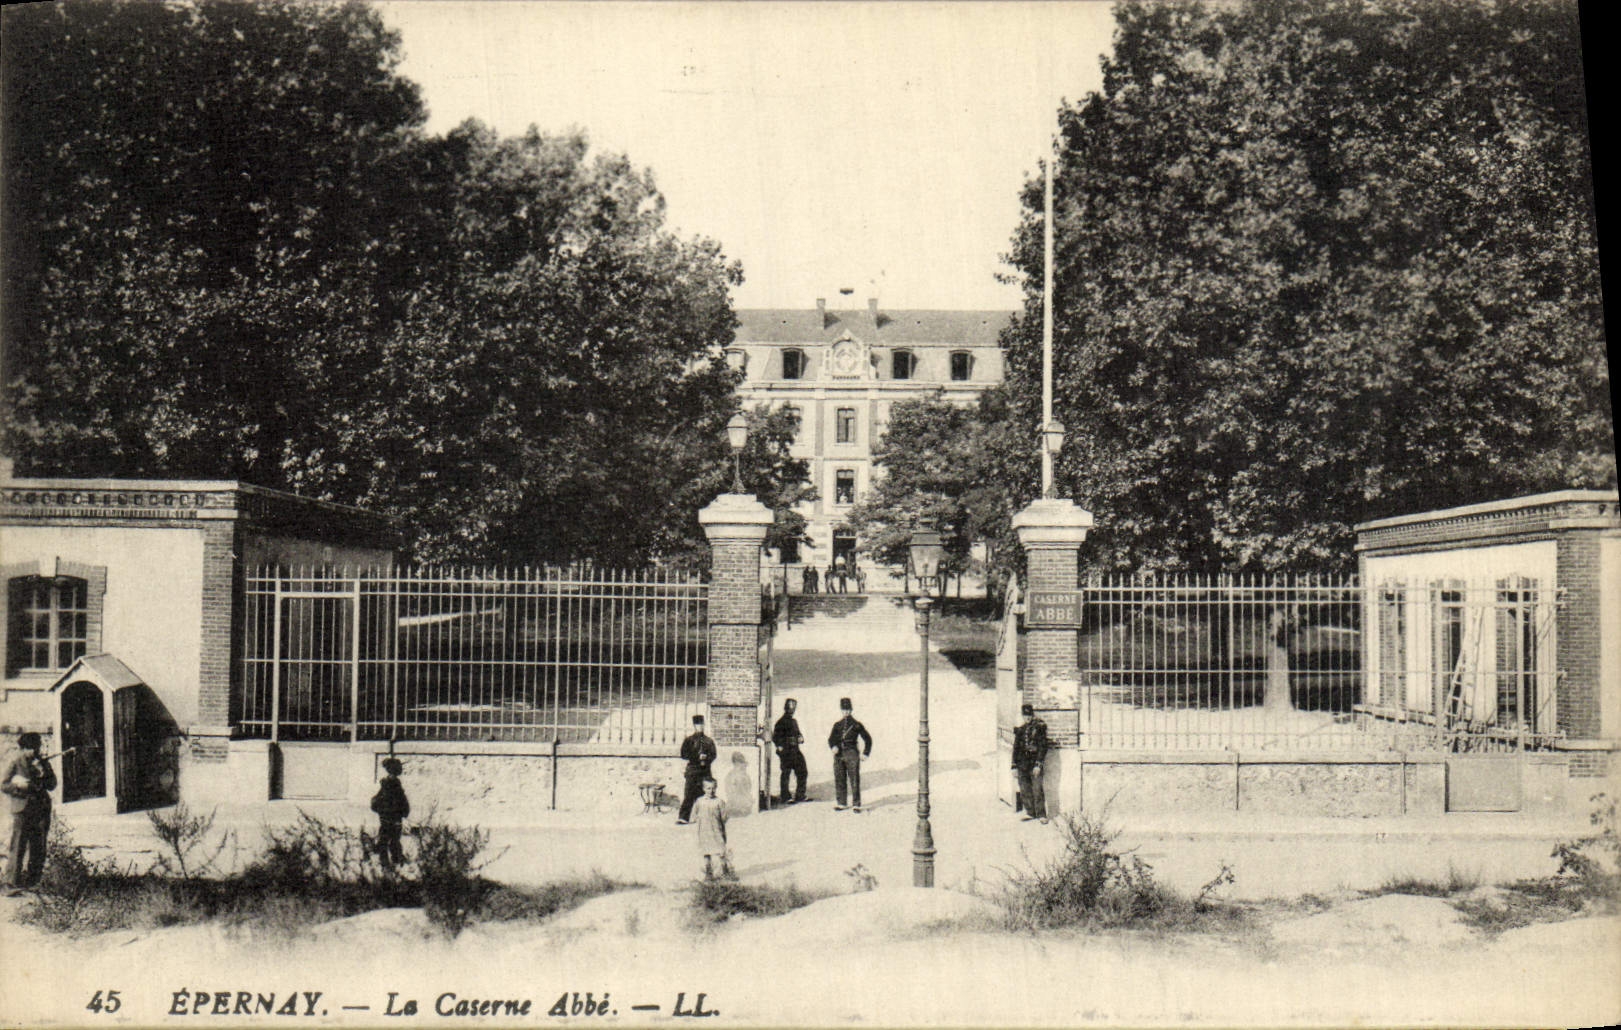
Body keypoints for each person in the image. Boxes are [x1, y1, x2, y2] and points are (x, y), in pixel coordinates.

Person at [3, 732, 56, 895]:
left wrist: (43, 773)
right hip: (22, 809)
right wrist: (20, 788)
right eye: (31, 748)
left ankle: (33, 882)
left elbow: (52, 784)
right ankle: (11, 883)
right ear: (23, 748)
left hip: (40, 809)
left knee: (39, 845)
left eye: (37, 747)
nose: (35, 751)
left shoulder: (43, 762)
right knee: (18, 845)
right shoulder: (16, 762)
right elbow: (4, 785)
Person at [827, 698, 872, 812]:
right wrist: (833, 746)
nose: (846, 712)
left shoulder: (856, 725)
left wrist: (865, 753)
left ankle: (856, 804)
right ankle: (842, 803)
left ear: (851, 710)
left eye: (848, 709)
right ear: (841, 710)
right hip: (839, 755)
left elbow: (868, 739)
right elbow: (831, 739)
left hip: (852, 753)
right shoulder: (837, 725)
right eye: (844, 709)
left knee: (854, 779)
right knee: (839, 778)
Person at [370, 756, 410, 869]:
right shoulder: (392, 785)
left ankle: (390, 859)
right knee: (392, 839)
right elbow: (400, 801)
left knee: (388, 838)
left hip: (388, 816)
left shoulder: (389, 784)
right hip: (392, 816)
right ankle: (390, 860)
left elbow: (378, 801)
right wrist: (404, 811)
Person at [1012, 703, 1049, 823]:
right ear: (1022, 716)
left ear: (1032, 715)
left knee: (1037, 788)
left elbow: (1043, 747)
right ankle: (1030, 812)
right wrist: (1014, 766)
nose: (1027, 717)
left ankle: (1041, 814)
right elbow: (1016, 748)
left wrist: (1038, 764)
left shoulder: (1039, 728)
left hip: (1034, 763)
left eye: (1029, 715)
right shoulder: (1021, 730)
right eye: (1025, 715)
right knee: (1024, 788)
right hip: (1022, 764)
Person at [677, 714, 716, 824]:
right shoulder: (689, 740)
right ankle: (683, 817)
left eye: (702, 725)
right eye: (698, 725)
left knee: (706, 794)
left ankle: (706, 817)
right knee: (689, 794)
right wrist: (696, 757)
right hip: (693, 770)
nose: (700, 727)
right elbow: (684, 754)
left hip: (705, 770)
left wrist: (706, 758)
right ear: (694, 726)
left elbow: (713, 755)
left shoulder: (709, 741)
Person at [691, 777, 732, 880]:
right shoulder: (699, 801)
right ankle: (709, 874)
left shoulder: (719, 802)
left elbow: (724, 817)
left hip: (717, 830)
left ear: (716, 788)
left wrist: (719, 824)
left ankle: (725, 872)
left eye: (713, 788)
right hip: (704, 831)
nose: (711, 791)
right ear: (704, 789)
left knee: (721, 851)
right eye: (708, 788)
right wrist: (698, 820)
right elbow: (694, 815)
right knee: (706, 852)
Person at [772, 698, 807, 804]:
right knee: (786, 773)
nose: (792, 710)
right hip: (786, 751)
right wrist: (779, 746)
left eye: (794, 708)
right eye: (790, 707)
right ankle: (785, 796)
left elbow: (798, 734)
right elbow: (776, 737)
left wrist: (800, 737)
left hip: (795, 750)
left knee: (802, 771)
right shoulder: (780, 722)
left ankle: (800, 795)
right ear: (786, 707)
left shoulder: (794, 722)